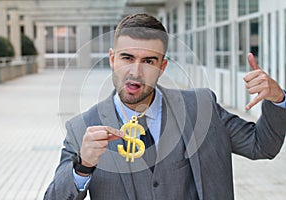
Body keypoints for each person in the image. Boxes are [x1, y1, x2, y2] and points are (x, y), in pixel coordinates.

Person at [44, 13, 286, 200]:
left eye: (148, 61)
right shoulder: (82, 128)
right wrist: (83, 166)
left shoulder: (202, 107)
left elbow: (261, 146)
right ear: (112, 59)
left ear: (162, 66)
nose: (135, 72)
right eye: (127, 58)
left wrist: (277, 99)